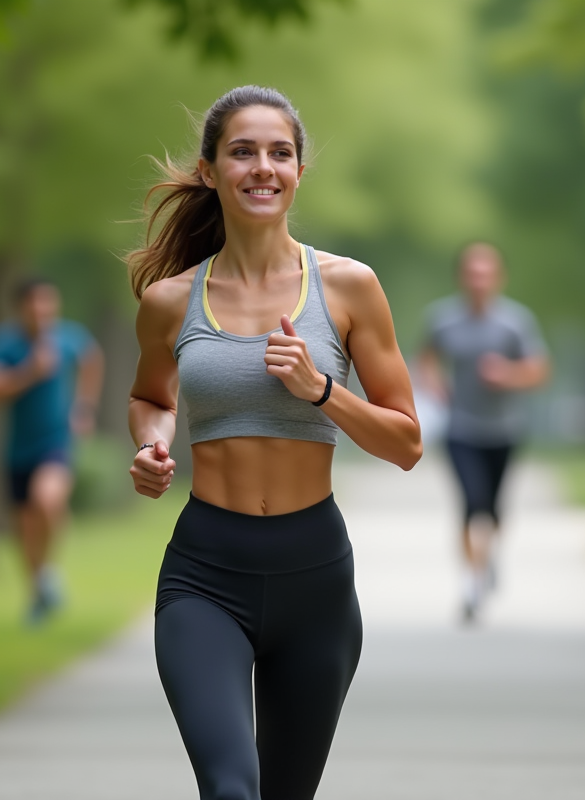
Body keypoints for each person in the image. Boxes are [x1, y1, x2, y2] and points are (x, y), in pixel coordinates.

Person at [125, 85, 422, 800]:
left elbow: (407, 442)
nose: (263, 166)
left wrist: (321, 390)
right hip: (205, 574)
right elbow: (151, 397)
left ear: (298, 171)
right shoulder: (171, 300)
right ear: (209, 171)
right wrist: (153, 444)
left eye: (280, 153)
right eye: (243, 152)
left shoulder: (349, 288)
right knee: (231, 788)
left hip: (313, 578)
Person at [418, 242, 549, 624]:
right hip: (460, 428)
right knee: (470, 502)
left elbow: (539, 370)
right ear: (461, 277)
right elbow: (426, 358)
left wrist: (507, 374)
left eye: (486, 274)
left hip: (504, 430)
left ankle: (488, 557)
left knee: (493, 509)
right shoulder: (442, 319)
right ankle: (471, 585)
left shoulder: (516, 322)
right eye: (472, 273)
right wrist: (434, 384)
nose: (479, 281)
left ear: (498, 278)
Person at [0, 278, 104, 625]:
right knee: (25, 529)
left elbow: (92, 359)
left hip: (56, 441)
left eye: (47, 303)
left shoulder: (67, 337)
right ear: (20, 308)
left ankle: (49, 573)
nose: (41, 311)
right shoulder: (4, 343)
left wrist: (84, 406)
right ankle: (38, 591)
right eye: (34, 304)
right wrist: (29, 373)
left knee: (47, 501)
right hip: (18, 449)